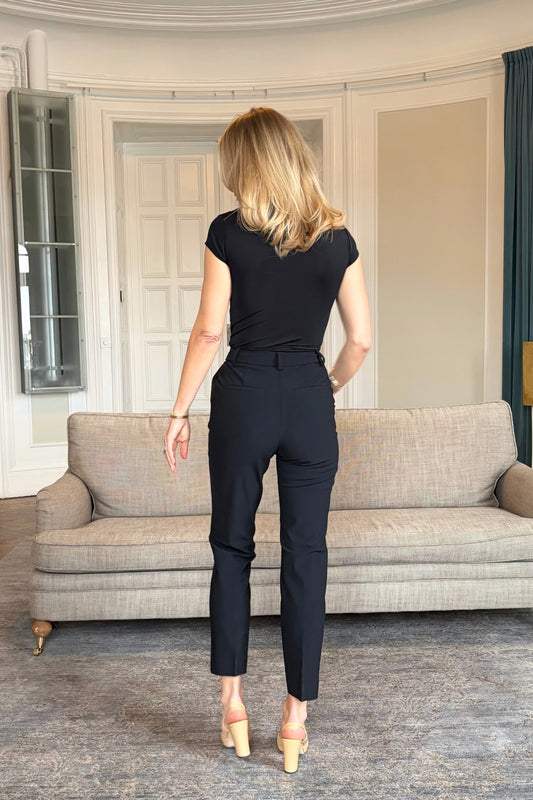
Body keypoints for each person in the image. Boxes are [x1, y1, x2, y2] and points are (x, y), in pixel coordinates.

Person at [163, 106, 371, 773]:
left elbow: (208, 331)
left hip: (244, 393)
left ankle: (232, 705)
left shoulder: (227, 232)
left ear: (246, 164)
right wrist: (325, 385)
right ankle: (294, 719)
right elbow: (361, 341)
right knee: (306, 553)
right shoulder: (338, 239)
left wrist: (178, 410)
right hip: (308, 394)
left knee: (232, 546)